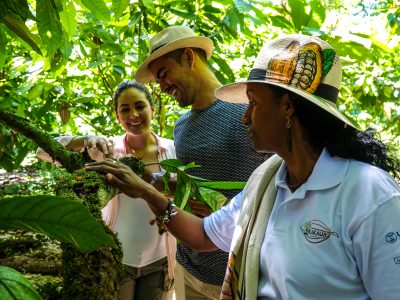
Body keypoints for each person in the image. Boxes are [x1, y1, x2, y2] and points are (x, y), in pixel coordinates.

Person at [86, 34, 400, 299]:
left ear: (287, 108)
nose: (245, 116)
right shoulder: (266, 184)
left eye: (253, 103)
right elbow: (204, 235)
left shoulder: (370, 195)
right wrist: (144, 190)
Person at [135, 26, 267, 299]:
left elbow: (281, 181)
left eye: (163, 74)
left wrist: (230, 206)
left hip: (238, 272)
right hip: (189, 268)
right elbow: (186, 186)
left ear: (188, 57)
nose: (162, 86)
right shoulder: (181, 127)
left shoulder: (248, 110)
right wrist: (142, 180)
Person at [37, 80, 176, 300]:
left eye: (140, 106)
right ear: (117, 116)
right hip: (118, 259)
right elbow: (42, 150)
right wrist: (86, 140)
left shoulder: (171, 149)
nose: (134, 114)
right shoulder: (107, 150)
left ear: (153, 109)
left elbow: (182, 194)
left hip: (159, 261)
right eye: (125, 109)